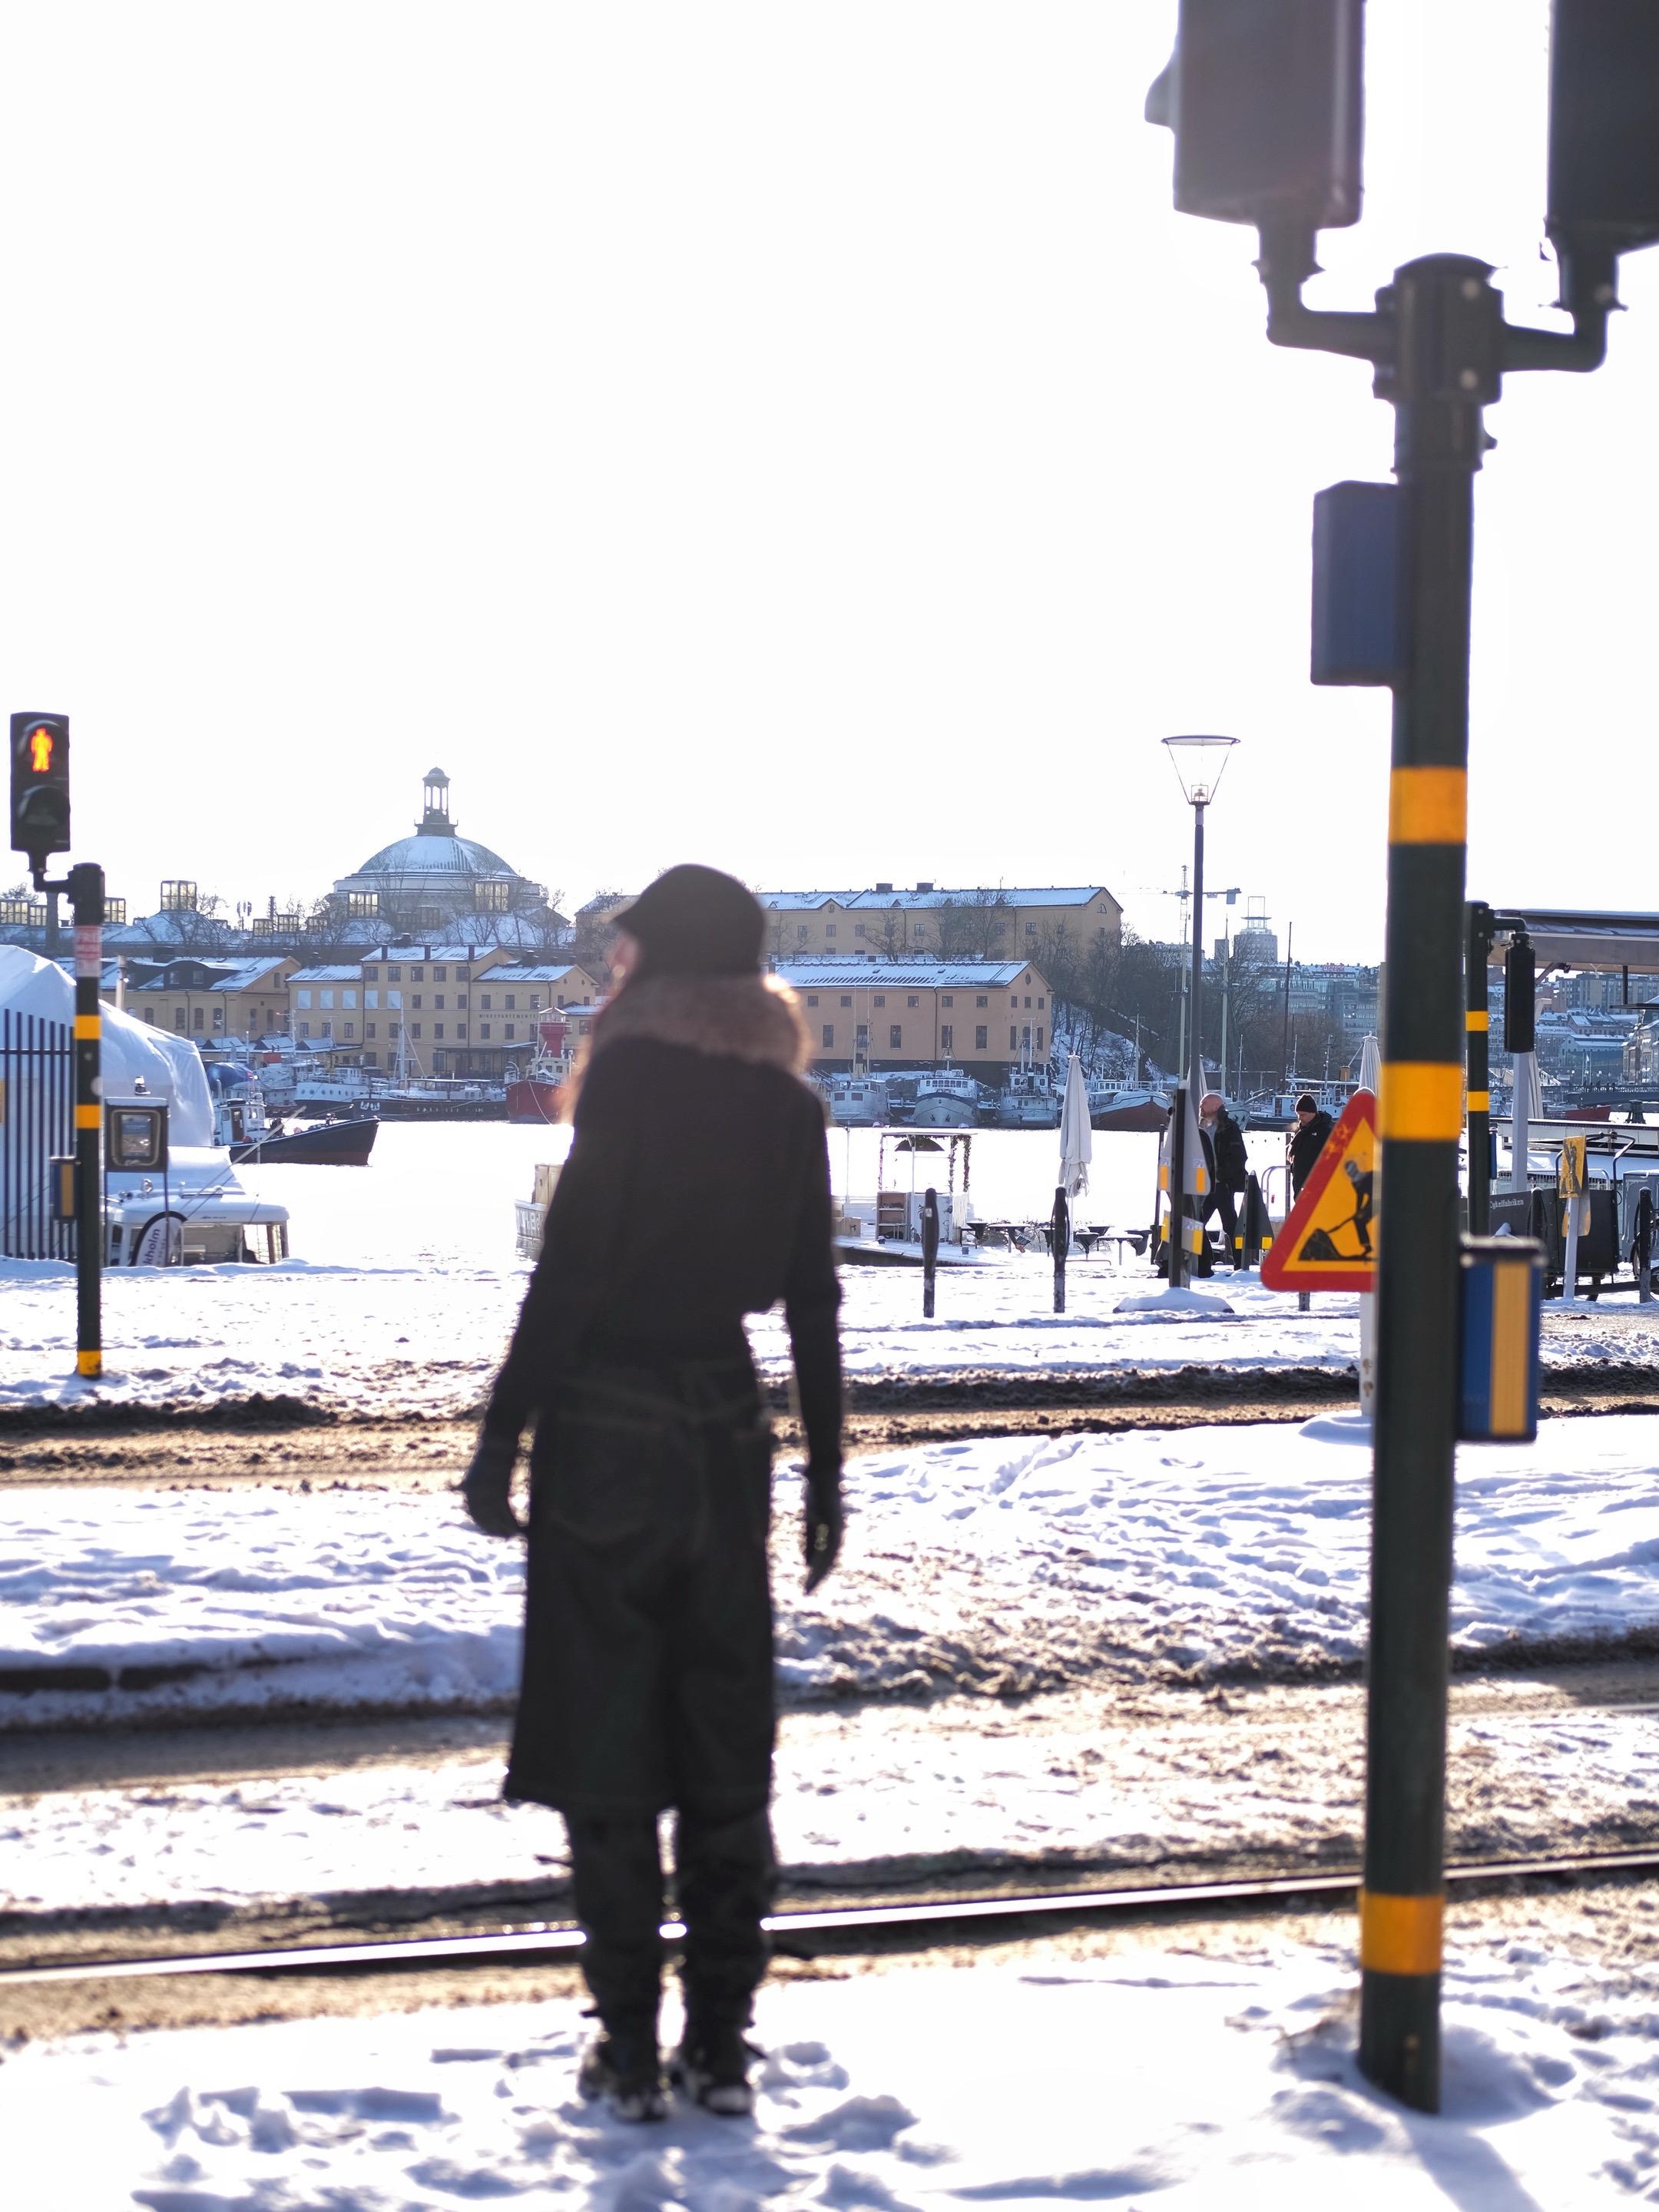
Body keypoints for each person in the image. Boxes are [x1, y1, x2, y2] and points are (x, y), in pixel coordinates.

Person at [461, 864, 843, 2124]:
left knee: (608, 1744)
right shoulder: (788, 1106)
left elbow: (569, 1273)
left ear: (664, 966)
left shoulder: (626, 1080)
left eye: (628, 952)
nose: (612, 967)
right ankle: (721, 2047)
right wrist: (828, 1471)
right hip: (727, 1431)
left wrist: (502, 1436)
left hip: (607, 1428)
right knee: (726, 1747)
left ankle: (629, 2048)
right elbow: (813, 1301)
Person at [1198, 1091, 1248, 1268]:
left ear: (1214, 1106)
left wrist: (1222, 1176)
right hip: (1204, 1185)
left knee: (1230, 1224)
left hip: (1222, 1185)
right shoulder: (1200, 1127)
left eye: (1203, 1105)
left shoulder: (1229, 1128)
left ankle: (1241, 1262)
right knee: (1197, 1223)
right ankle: (1203, 1260)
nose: (1200, 1108)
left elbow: (1239, 1156)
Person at [1288, 1092, 1334, 1197]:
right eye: (1298, 1115)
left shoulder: (1325, 1131)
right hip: (1300, 1187)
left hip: (1318, 1189)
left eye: (1303, 1115)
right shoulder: (1301, 1131)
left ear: (1312, 1113)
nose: (1300, 1118)